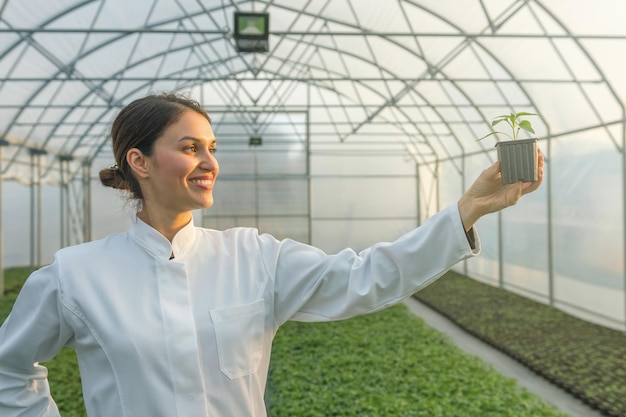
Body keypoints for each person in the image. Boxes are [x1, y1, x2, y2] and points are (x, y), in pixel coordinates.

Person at [0, 92, 544, 417]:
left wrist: (467, 209)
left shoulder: (253, 257)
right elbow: (9, 369)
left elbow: (367, 277)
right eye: (190, 148)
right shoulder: (75, 274)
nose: (209, 161)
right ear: (139, 162)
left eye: (212, 148)